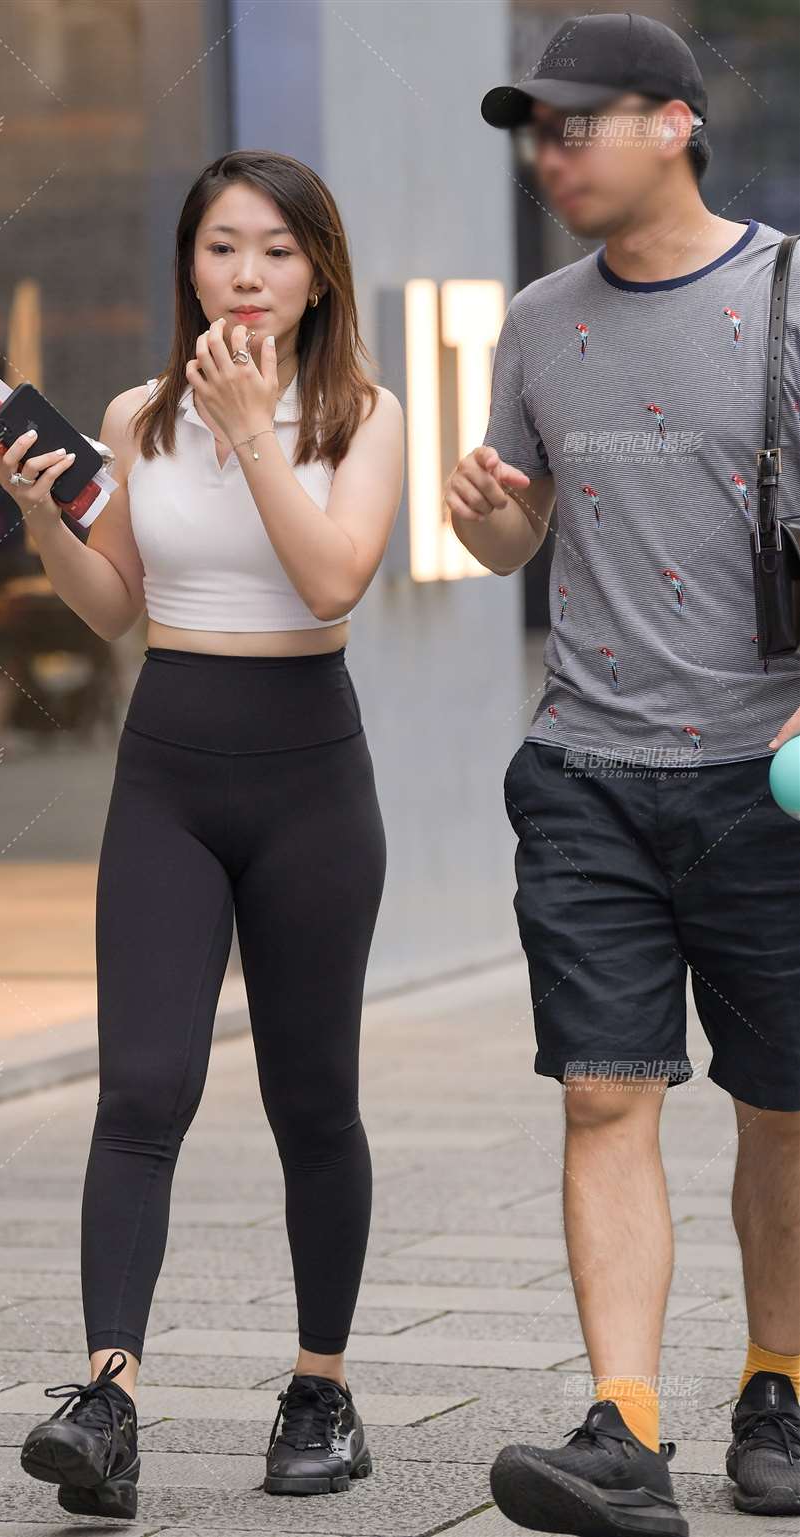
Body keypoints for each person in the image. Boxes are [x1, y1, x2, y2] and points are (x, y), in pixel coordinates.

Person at [1, 150, 403, 1521]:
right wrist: (41, 515)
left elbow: (333, 579)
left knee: (313, 1098)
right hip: (168, 766)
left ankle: (320, 1389)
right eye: (223, 246)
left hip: (311, 775)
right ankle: (106, 1400)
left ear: (319, 275)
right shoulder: (136, 414)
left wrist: (253, 433)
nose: (247, 274)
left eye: (278, 250)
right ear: (190, 262)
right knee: (141, 1088)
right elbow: (115, 604)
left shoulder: (364, 414)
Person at [447, 13, 800, 1536]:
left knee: (782, 1107)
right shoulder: (538, 320)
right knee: (604, 1094)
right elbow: (519, 536)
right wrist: (490, 522)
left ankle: (778, 1385)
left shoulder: (788, 296)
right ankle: (625, 1427)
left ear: (674, 123)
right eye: (537, 129)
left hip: (765, 777)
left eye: (577, 122)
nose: (550, 153)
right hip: (585, 767)